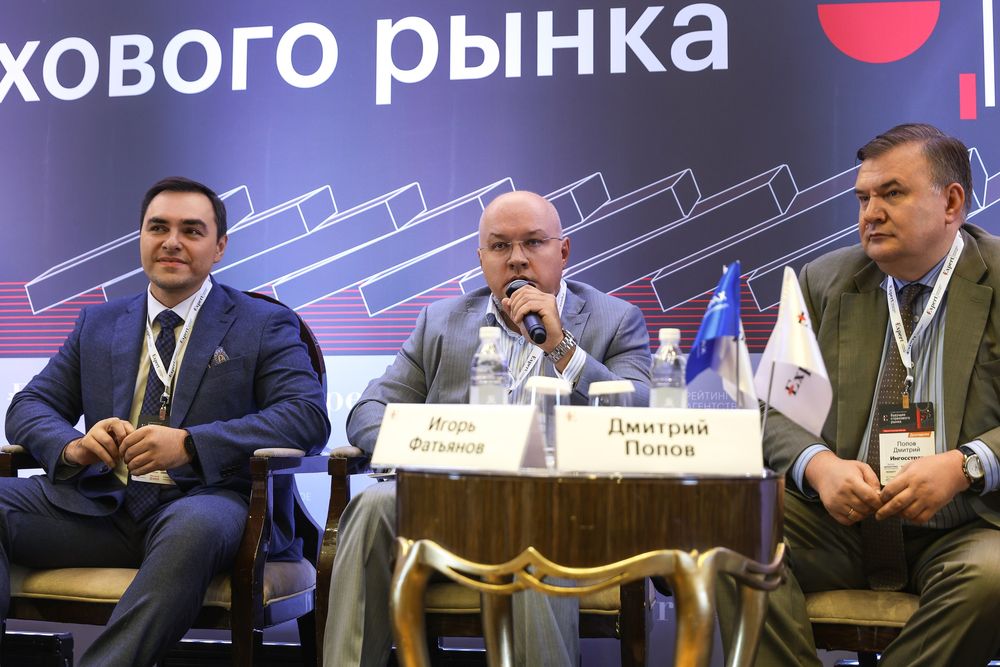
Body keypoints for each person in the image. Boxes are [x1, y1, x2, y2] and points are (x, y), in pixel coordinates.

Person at [3, 176, 331, 666]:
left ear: (219, 247)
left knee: (193, 527)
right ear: (141, 238)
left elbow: (305, 417)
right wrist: (74, 446)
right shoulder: (98, 324)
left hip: (211, 503)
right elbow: (28, 406)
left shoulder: (262, 323)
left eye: (191, 231)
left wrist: (192, 445)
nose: (172, 242)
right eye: (158, 228)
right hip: (101, 507)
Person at [324, 190, 651, 666]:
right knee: (374, 505)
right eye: (499, 246)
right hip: (452, 502)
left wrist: (561, 348)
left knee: (531, 519)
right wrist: (431, 448)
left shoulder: (615, 320)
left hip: (561, 511)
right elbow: (369, 410)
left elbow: (641, 413)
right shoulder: (441, 321)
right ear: (481, 259)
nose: (516, 259)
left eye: (533, 242)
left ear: (563, 251)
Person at [726, 124, 1000, 665]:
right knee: (731, 534)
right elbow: (771, 408)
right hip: (841, 525)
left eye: (891, 193)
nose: (870, 213)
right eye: (863, 198)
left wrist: (966, 464)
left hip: (966, 525)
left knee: (992, 576)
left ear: (951, 203)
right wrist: (818, 465)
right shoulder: (825, 281)